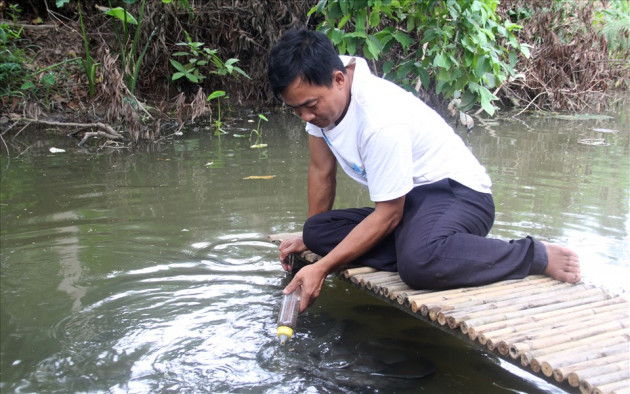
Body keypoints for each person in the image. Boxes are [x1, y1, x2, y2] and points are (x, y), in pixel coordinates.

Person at [267, 28, 580, 313]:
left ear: (338, 79)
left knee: (418, 266)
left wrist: (322, 267)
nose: (306, 116)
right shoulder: (321, 101)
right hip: (411, 204)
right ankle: (425, 246)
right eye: (297, 110)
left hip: (459, 195)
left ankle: (534, 255)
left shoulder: (378, 120)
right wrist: (311, 236)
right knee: (317, 231)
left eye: (310, 106)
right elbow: (322, 170)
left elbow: (388, 214)